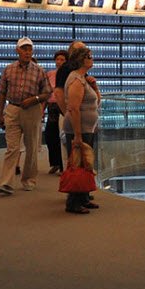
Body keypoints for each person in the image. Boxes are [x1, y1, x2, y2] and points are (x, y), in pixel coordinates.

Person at [0, 37, 51, 195]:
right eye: (24, 49)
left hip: (32, 110)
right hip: (12, 109)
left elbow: (47, 92)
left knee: (31, 147)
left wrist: (35, 99)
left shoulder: (39, 70)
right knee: (12, 147)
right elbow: (2, 92)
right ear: (17, 50)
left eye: (29, 49)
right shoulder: (9, 69)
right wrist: (0, 115)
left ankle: (28, 180)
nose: (27, 52)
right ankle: (6, 182)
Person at [63, 46, 100, 214]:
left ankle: (84, 197)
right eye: (89, 56)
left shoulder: (84, 79)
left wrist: (95, 86)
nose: (92, 59)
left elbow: (95, 101)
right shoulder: (76, 80)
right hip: (79, 129)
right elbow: (74, 109)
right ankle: (74, 202)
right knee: (78, 163)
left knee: (86, 163)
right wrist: (77, 134)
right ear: (81, 60)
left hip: (87, 128)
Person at [44, 50, 68, 174]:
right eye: (57, 59)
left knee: (61, 136)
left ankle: (63, 165)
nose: (59, 62)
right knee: (50, 135)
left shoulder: (68, 74)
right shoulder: (50, 74)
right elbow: (45, 92)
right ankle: (55, 162)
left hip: (62, 106)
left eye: (62, 60)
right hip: (51, 106)